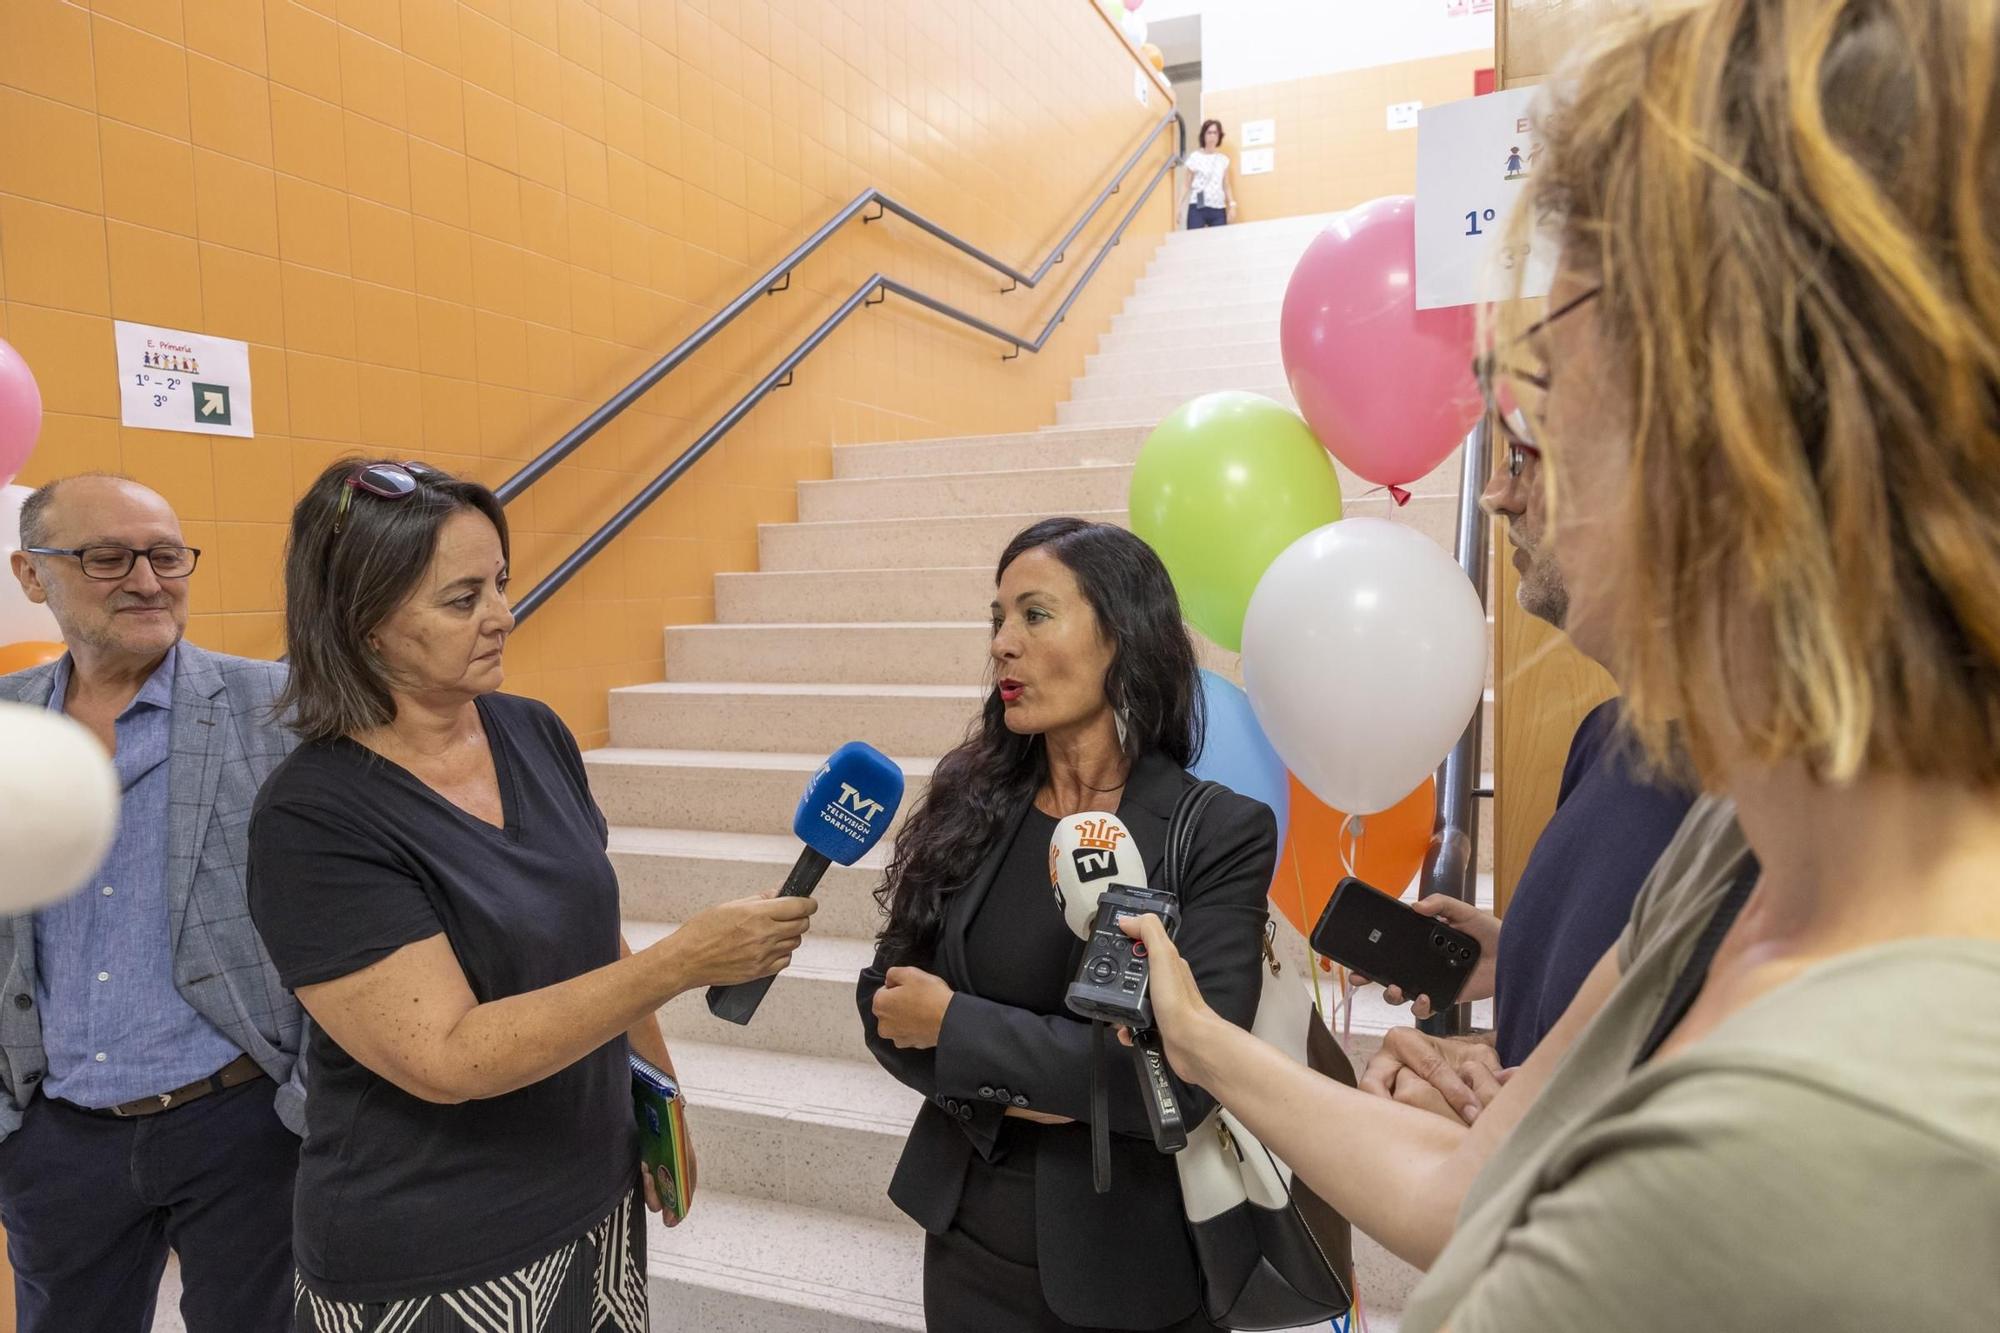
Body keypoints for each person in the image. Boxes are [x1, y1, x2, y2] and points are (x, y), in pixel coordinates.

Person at [1121, 2, 2000, 1328]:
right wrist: (1197, 1036)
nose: (1518, 426)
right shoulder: (1739, 841)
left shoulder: (1809, 1153)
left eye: (1555, 344)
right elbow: (1476, 1174)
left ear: (1728, 404)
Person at [246, 459, 819, 1331]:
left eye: (501, 584)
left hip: (592, 1193)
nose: (503, 616)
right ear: (363, 622)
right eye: (462, 597)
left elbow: (594, 934)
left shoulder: (532, 729)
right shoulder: (313, 816)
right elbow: (449, 1055)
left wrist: (661, 1104)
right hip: (435, 1247)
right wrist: (683, 960)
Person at [856, 517, 1276, 1332]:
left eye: (1035, 615)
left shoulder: (1217, 831)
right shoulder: (971, 802)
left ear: (1121, 635)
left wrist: (958, 1029)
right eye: (997, 619)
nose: (1003, 645)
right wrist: (1074, 1080)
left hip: (1131, 1267)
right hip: (968, 1243)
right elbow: (885, 1002)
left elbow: (1187, 1077)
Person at [0, 475, 305, 1333]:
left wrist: (306, 1106)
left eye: (167, 554)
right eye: (107, 557)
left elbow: (350, 911)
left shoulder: (278, 709)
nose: (146, 579)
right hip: (54, 1137)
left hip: (243, 1123)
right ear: (33, 576)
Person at [1357, 434, 1697, 1125]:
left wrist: (1194, 1035)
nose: (1497, 495)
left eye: (1525, 456)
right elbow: (1566, 1059)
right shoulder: (1604, 736)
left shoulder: (1760, 802)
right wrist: (1515, 959)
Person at [1182, 120, 1236, 229]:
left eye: (1215, 133)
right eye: (1209, 132)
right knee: (1194, 241)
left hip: (1218, 207)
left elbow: (1226, 185)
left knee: (1219, 243)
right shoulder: (1195, 157)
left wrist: (1232, 205)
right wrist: (1178, 207)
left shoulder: (1223, 160)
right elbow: (1186, 184)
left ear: (1219, 136)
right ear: (1203, 135)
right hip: (1198, 206)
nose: (1212, 136)